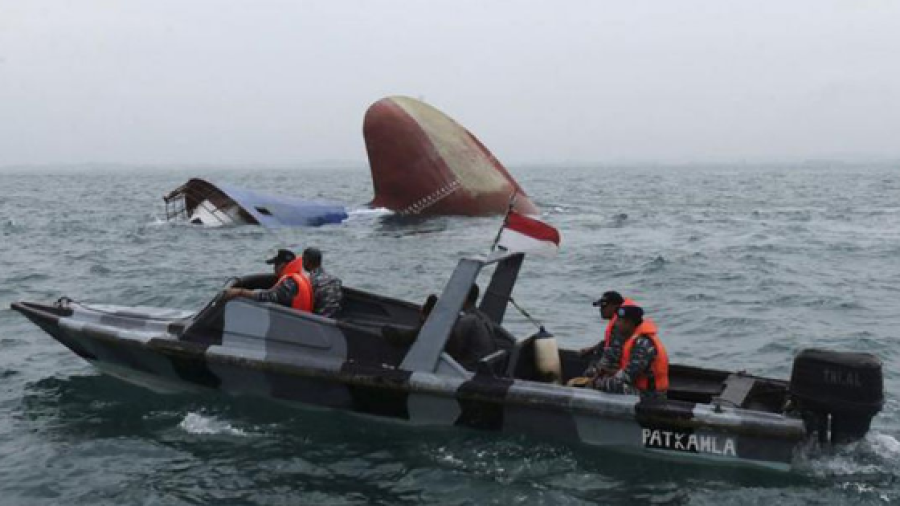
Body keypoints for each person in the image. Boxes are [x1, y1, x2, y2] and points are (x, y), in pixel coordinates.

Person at [591, 305, 669, 400]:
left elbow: (628, 377)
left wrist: (601, 380)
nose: (616, 324)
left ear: (630, 323)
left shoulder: (643, 344)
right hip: (639, 387)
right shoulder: (633, 339)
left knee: (607, 383)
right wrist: (607, 372)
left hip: (650, 395)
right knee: (605, 377)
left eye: (619, 321)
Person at [445, 284, 514, 370]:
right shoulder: (484, 317)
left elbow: (453, 350)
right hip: (486, 364)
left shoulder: (467, 321)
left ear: (465, 297)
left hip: (472, 367)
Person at [223, 249, 313, 311]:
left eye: (275, 265)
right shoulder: (300, 277)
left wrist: (240, 292)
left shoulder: (290, 282)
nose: (273, 269)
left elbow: (270, 297)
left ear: (281, 266)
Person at [578, 291, 636, 376]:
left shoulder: (620, 327)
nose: (600, 309)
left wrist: (593, 372)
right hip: (619, 364)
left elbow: (612, 356)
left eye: (603, 306)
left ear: (615, 306)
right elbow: (609, 342)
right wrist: (592, 348)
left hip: (621, 368)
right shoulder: (624, 320)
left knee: (588, 375)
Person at [302, 247, 343, 318]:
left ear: (307, 261)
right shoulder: (335, 280)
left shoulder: (311, 282)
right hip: (335, 317)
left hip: (319, 319)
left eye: (303, 259)